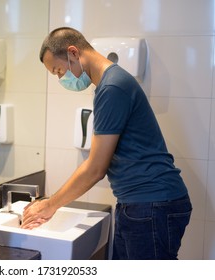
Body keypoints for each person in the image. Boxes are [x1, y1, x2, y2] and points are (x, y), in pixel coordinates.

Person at [21, 27, 192, 260]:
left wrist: (50, 205)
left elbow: (95, 168)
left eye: (59, 70)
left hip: (151, 204)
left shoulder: (112, 87)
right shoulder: (109, 84)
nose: (61, 78)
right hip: (140, 203)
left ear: (73, 52)